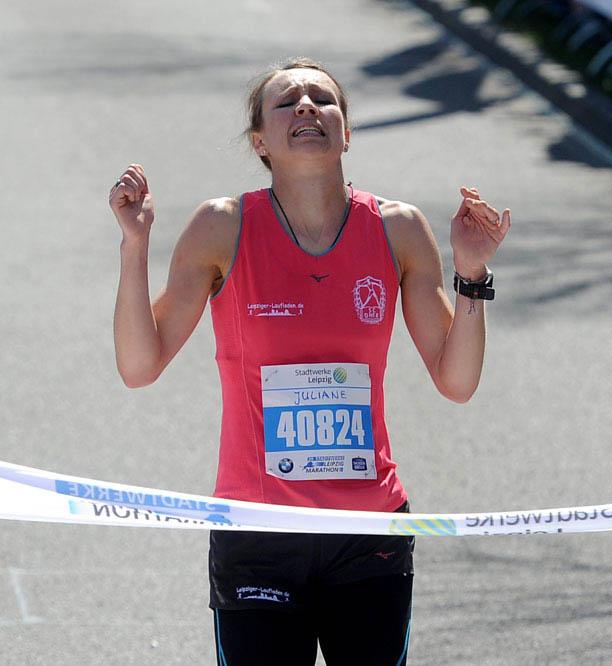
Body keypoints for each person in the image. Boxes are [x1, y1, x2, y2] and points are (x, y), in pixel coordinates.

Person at [109, 56, 511, 666]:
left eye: (323, 99)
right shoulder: (222, 226)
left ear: (346, 132)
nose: (305, 106)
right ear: (260, 142)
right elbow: (139, 366)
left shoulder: (398, 229)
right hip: (259, 533)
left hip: (369, 533)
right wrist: (134, 245)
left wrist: (472, 272)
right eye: (286, 101)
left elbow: (457, 381)